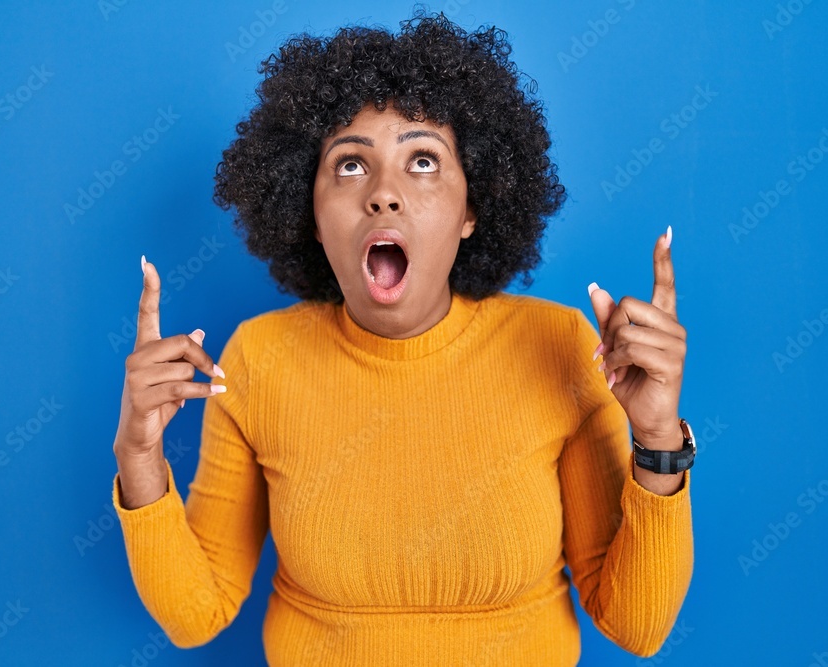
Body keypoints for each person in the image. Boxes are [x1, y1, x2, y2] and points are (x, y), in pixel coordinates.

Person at [111, 10, 693, 666]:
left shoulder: (559, 345)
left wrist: (657, 439)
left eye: (422, 160)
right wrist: (137, 456)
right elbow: (196, 612)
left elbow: (636, 624)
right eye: (351, 166)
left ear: (472, 210)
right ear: (311, 216)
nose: (384, 194)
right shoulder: (258, 359)